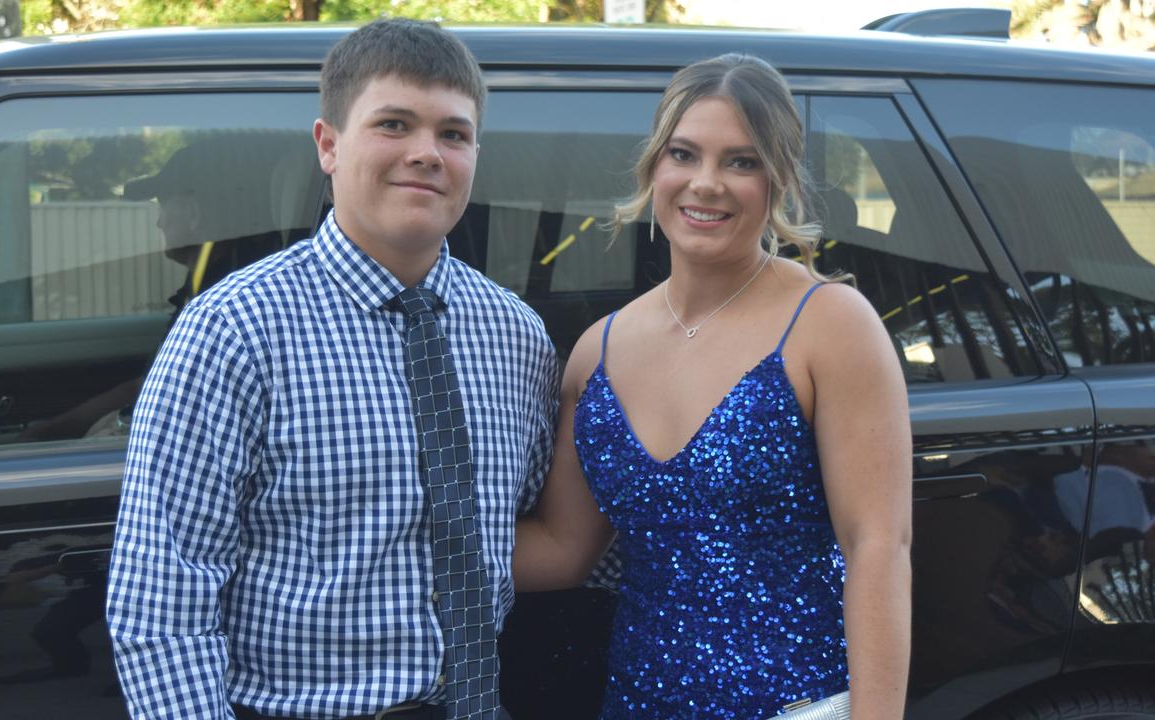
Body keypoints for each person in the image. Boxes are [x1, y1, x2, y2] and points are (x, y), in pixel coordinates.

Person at [106, 19, 558, 720]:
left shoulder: (516, 336)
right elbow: (163, 603)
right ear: (327, 145)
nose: (425, 153)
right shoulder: (233, 331)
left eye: (453, 134)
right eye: (393, 124)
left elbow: (521, 529)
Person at [513, 54, 913, 718]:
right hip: (638, 702)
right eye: (684, 154)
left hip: (794, 705)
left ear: (777, 178)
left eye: (741, 162)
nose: (706, 184)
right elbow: (561, 550)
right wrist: (392, 544)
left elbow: (877, 546)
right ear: (653, 166)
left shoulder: (829, 324)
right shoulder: (597, 354)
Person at [19, 137, 279, 441]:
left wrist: (55, 432)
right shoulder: (209, 286)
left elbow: (170, 395)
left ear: (194, 212)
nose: (158, 221)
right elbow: (152, 383)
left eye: (163, 205)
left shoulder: (221, 304)